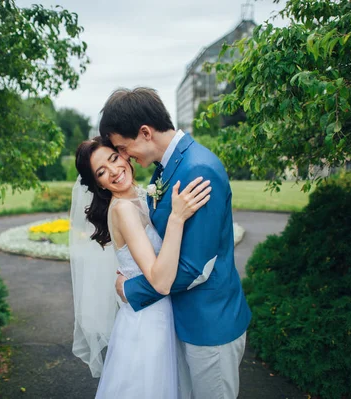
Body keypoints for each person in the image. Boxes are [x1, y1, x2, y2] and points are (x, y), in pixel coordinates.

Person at [99, 87, 252, 399]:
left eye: (122, 148)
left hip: (210, 324)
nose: (125, 157)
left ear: (145, 132)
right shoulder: (167, 168)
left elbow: (197, 267)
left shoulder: (197, 168)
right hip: (181, 319)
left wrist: (130, 290)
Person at [71, 136, 211, 398]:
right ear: (97, 184)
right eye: (101, 172)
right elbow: (159, 278)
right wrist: (177, 218)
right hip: (148, 322)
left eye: (114, 158)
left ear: (124, 155)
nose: (113, 171)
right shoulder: (123, 209)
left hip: (163, 312)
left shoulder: (143, 195)